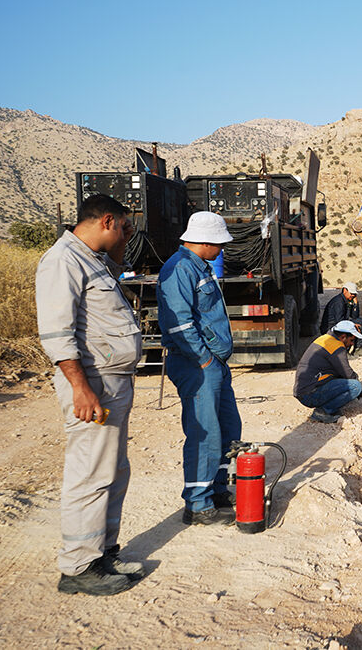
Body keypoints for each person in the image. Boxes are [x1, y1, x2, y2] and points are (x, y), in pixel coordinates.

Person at [36, 193, 145, 596]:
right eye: (123, 227)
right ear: (106, 221)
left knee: (113, 471)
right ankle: (79, 566)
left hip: (111, 381)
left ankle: (103, 553)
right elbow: (57, 332)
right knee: (90, 475)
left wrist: (118, 249)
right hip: (92, 384)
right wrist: (80, 389)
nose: (126, 233)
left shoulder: (91, 259)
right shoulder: (62, 260)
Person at [157, 211, 241, 526]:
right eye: (218, 245)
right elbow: (179, 324)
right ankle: (197, 504)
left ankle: (217, 489)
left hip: (212, 364)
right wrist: (204, 360)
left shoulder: (198, 266)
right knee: (205, 433)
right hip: (196, 364)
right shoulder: (178, 269)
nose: (221, 250)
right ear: (204, 242)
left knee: (228, 427)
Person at [294, 319, 362, 423]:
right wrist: (360, 385)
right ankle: (323, 412)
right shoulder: (336, 347)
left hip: (304, 390)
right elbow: (347, 373)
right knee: (355, 386)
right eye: (351, 340)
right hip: (309, 394)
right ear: (343, 337)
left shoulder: (325, 339)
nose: (351, 344)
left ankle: (328, 407)